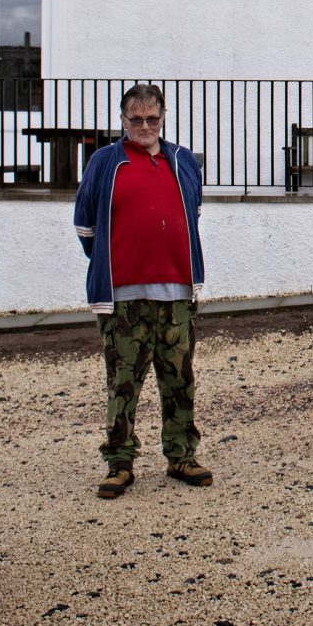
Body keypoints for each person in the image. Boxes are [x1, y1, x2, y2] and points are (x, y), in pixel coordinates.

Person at [74, 83, 211, 499]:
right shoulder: (104, 162)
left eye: (152, 118)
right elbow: (86, 225)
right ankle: (119, 461)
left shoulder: (182, 160)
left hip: (177, 292)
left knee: (179, 378)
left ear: (163, 117)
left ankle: (181, 455)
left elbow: (193, 211)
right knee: (123, 382)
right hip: (122, 297)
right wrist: (116, 260)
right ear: (123, 120)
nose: (145, 126)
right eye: (136, 119)